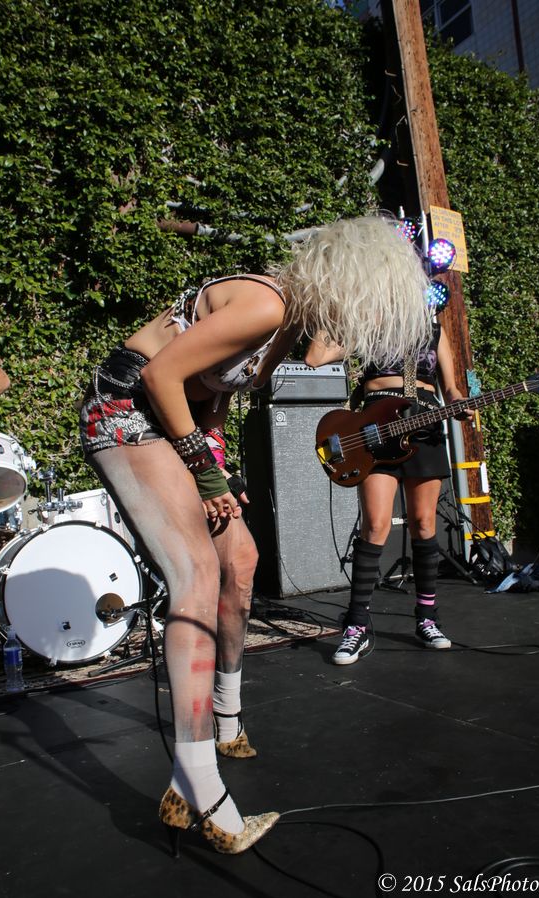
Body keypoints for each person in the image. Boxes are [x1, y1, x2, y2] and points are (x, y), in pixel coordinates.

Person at [78, 214, 433, 855]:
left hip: (177, 424)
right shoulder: (266, 303)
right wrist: (202, 471)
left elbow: (212, 395)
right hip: (126, 409)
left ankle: (226, 718)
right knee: (194, 577)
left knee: (240, 560)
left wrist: (216, 467)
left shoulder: (286, 326)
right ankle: (196, 784)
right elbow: (160, 377)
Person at [305, 241, 473, 666]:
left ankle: (427, 618)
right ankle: (357, 625)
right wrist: (339, 304)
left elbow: (451, 387)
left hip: (425, 424)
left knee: (423, 523)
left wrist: (461, 403)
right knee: (376, 524)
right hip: (374, 429)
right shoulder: (369, 324)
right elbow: (314, 357)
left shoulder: (433, 329)